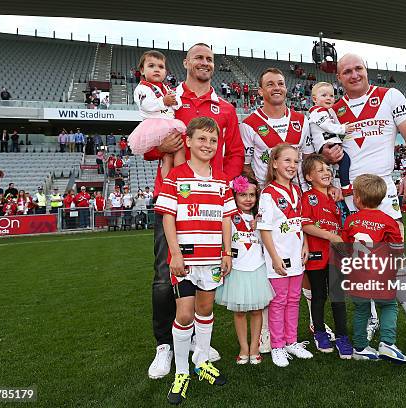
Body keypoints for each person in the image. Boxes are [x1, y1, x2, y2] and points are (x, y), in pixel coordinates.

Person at [322, 54, 406, 358]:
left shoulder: (390, 95)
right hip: (346, 197)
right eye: (347, 72)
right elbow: (321, 151)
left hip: (382, 193)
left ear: (366, 71)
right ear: (339, 78)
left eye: (358, 69)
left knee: (396, 261)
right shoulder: (331, 112)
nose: (354, 75)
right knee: (359, 263)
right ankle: (369, 319)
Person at [144, 43, 243, 380]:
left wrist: (219, 185)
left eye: (210, 59)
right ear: (185, 62)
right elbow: (146, 147)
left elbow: (236, 155)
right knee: (164, 274)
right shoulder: (167, 100)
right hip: (172, 200)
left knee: (207, 272)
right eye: (198, 57)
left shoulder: (226, 108)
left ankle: (200, 345)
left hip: (211, 204)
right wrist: (163, 147)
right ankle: (165, 347)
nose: (204, 63)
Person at [154, 117, 235, 405]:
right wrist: (175, 253)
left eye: (213, 140)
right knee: (185, 314)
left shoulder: (222, 179)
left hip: (212, 258)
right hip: (185, 260)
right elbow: (168, 216)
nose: (208, 145)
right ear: (188, 141)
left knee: (205, 309)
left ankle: (201, 362)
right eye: (201, 139)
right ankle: (182, 371)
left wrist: (227, 252)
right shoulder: (176, 176)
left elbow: (226, 218)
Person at [341, 174, 406, 363]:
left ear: (357, 198)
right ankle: (387, 343)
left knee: (361, 310)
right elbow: (397, 250)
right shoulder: (390, 222)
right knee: (388, 305)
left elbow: (345, 248)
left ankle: (360, 348)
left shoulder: (350, 221)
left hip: (356, 273)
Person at [257, 143, 313, 368]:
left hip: (297, 256)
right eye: (287, 160)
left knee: (293, 300)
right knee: (278, 302)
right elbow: (264, 229)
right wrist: (274, 257)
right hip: (278, 259)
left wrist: (305, 244)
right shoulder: (268, 193)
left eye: (296, 161)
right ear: (274, 163)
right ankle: (277, 345)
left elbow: (300, 223)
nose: (292, 165)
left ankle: (292, 341)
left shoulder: (297, 190)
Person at [215, 175, 274, 365]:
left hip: (257, 269)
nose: (248, 199)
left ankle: (255, 347)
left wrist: (261, 225)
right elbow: (224, 242)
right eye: (242, 195)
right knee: (239, 312)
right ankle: (243, 348)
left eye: (252, 195)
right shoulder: (229, 217)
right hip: (238, 270)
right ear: (234, 195)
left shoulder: (261, 217)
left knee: (257, 310)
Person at [300, 154, 352, 358]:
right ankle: (320, 332)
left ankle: (342, 337)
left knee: (338, 297)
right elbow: (305, 224)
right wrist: (330, 236)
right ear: (308, 176)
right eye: (320, 170)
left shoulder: (335, 196)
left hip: (335, 255)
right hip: (315, 254)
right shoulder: (308, 197)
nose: (326, 172)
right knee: (319, 296)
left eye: (327, 169)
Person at [241, 68, 313, 189]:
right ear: (260, 91)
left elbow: (308, 158)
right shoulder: (248, 124)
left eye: (280, 84)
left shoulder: (301, 120)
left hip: (300, 195)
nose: (277, 88)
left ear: (285, 88)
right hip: (268, 198)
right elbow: (245, 165)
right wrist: (259, 191)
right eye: (270, 84)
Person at [128, 50, 187, 181]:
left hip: (169, 122)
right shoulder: (141, 88)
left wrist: (175, 102)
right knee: (166, 156)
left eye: (161, 67)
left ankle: (181, 177)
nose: (156, 69)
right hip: (154, 124)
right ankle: (167, 184)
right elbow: (146, 105)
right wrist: (163, 101)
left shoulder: (166, 87)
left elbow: (177, 103)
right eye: (151, 66)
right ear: (142, 70)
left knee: (178, 149)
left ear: (165, 72)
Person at [308, 82, 354, 195]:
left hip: (326, 143)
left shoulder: (323, 112)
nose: (328, 98)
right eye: (324, 95)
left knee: (330, 169)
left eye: (331, 96)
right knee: (345, 160)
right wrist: (343, 128)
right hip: (326, 144)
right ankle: (345, 186)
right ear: (315, 99)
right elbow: (327, 126)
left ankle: (331, 187)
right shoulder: (319, 112)